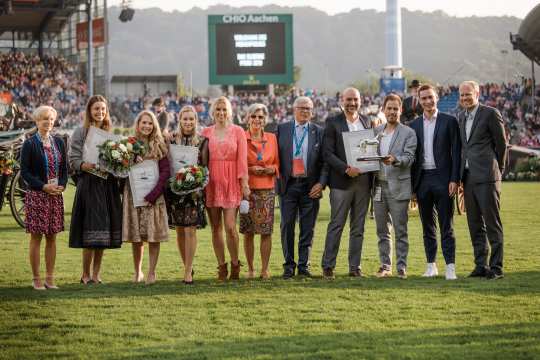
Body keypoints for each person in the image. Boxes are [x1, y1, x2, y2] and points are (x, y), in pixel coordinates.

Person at [69, 95, 123, 285]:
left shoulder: (111, 134)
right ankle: (85, 274)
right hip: (89, 186)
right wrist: (87, 165)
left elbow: (119, 164)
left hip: (107, 187)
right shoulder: (80, 132)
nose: (100, 112)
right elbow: (73, 160)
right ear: (89, 111)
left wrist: (120, 165)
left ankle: (96, 274)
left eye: (103, 109)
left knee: (103, 233)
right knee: (90, 231)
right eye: (96, 109)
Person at [410, 84, 461, 280]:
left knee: (446, 225)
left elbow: (456, 152)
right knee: (427, 226)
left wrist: (454, 179)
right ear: (419, 101)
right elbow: (413, 158)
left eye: (430, 97)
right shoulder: (414, 125)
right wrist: (413, 187)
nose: (427, 101)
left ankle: (450, 267)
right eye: (423, 98)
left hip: (444, 179)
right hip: (423, 180)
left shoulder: (449, 121)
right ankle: (431, 265)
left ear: (437, 98)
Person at [321, 87, 373, 279]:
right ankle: (328, 266)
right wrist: (345, 168)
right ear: (342, 101)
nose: (352, 103)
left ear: (361, 101)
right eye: (348, 99)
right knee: (336, 225)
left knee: (358, 227)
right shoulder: (333, 122)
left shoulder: (366, 121)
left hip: (363, 182)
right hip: (341, 182)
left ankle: (355, 267)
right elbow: (327, 153)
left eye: (355, 100)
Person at [458, 80, 507, 280]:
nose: (464, 98)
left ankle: (496, 268)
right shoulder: (461, 117)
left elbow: (502, 144)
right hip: (468, 179)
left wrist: (499, 169)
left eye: (468, 94)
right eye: (462, 95)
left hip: (487, 177)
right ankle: (480, 265)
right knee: (474, 225)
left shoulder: (490, 113)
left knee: (492, 224)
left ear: (477, 94)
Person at [277, 96, 327, 279]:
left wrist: (321, 183)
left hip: (310, 186)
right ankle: (289, 265)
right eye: (302, 108)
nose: (305, 111)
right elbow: (276, 158)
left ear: (312, 112)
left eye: (308, 108)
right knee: (287, 226)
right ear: (294, 109)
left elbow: (325, 162)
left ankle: (304, 265)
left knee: (308, 228)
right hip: (288, 185)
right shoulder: (282, 129)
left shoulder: (319, 132)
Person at [20, 106, 68, 290]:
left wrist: (61, 184)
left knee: (52, 238)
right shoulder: (30, 144)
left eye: (51, 119)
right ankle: (36, 278)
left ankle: (50, 278)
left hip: (55, 196)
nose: (48, 122)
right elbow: (25, 172)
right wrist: (43, 186)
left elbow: (64, 170)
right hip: (37, 196)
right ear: (37, 121)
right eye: (44, 119)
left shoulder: (59, 143)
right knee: (36, 239)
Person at [202, 96, 249, 281]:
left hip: (231, 182)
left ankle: (235, 263)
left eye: (224, 109)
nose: (221, 113)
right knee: (215, 228)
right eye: (218, 109)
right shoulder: (205, 132)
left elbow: (242, 160)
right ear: (213, 112)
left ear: (229, 112)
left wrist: (244, 184)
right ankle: (221, 267)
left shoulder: (238, 131)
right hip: (211, 182)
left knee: (230, 227)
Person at [122, 110, 170, 285]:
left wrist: (154, 194)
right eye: (144, 122)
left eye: (150, 123)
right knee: (137, 236)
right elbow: (121, 171)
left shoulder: (160, 144)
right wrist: (129, 161)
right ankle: (137, 272)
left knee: (153, 236)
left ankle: (151, 272)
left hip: (154, 197)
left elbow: (165, 172)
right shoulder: (128, 144)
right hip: (134, 195)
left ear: (154, 125)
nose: (147, 126)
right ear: (138, 124)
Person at [373, 94, 417, 279]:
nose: (392, 112)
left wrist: (396, 160)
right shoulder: (376, 132)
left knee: (400, 229)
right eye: (389, 108)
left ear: (400, 110)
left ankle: (401, 267)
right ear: (383, 109)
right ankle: (385, 266)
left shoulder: (409, 133)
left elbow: (410, 157)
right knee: (382, 230)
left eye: (395, 109)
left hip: (399, 186)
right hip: (378, 187)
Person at [165, 105, 209, 284]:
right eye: (185, 119)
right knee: (180, 231)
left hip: (194, 193)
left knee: (191, 229)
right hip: (175, 192)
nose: (188, 122)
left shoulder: (203, 141)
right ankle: (187, 267)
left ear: (196, 120)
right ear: (179, 120)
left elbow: (206, 168)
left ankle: (188, 271)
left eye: (191, 119)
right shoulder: (171, 139)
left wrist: (198, 183)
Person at [239, 103, 280, 280]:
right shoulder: (241, 137)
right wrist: (250, 169)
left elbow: (278, 163)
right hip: (247, 190)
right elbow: (238, 163)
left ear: (265, 120)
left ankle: (264, 269)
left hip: (267, 190)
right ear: (247, 118)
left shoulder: (272, 138)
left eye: (260, 117)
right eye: (254, 116)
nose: (257, 120)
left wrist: (272, 169)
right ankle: (250, 269)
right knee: (248, 232)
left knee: (266, 231)